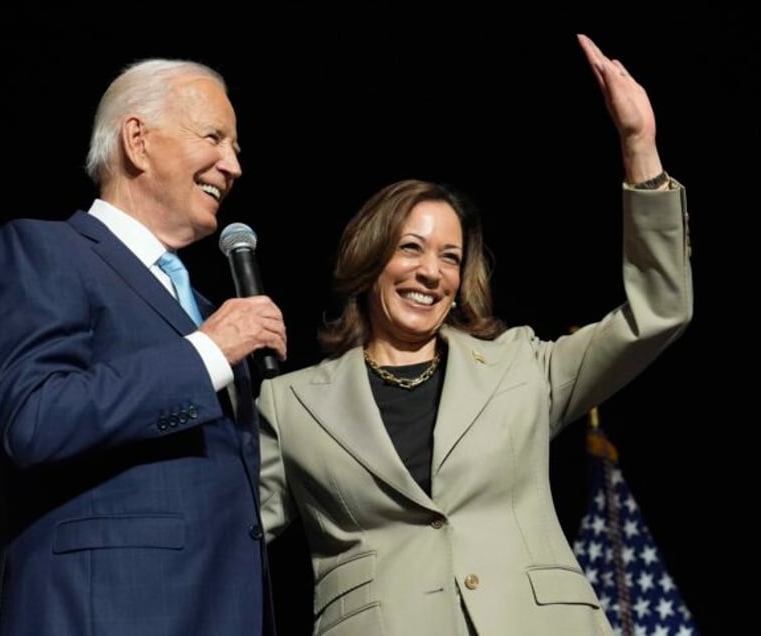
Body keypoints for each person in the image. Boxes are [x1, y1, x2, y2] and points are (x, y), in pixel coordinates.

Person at [257, 33, 692, 636]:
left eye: (450, 257)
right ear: (370, 259)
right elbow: (229, 530)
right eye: (410, 248)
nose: (430, 272)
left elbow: (658, 312)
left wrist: (639, 148)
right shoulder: (292, 404)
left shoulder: (523, 368)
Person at [0, 58, 286, 636]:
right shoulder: (46, 250)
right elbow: (34, 417)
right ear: (137, 141)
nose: (234, 165)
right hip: (111, 611)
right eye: (214, 138)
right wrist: (207, 354)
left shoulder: (210, 308)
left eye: (237, 147)